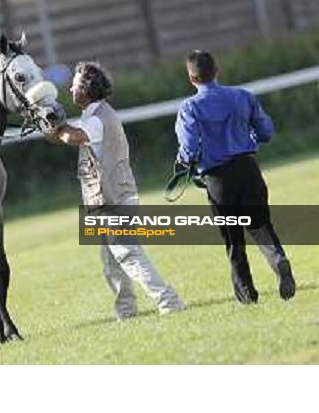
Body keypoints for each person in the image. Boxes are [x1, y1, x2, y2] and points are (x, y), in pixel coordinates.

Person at [45, 62, 186, 321]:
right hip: (105, 199)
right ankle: (127, 312)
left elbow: (70, 137)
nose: (70, 88)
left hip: (114, 199)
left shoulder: (98, 119)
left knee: (128, 254)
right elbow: (61, 136)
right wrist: (48, 125)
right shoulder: (93, 115)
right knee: (111, 263)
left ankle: (170, 302)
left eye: (75, 85)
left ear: (86, 90)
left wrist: (56, 123)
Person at [175, 50, 296, 304]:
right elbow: (265, 130)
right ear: (217, 70)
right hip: (248, 169)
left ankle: (247, 295)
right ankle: (278, 260)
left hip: (218, 179)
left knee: (233, 238)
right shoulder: (243, 96)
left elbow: (189, 145)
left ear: (191, 78)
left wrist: (184, 163)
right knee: (262, 225)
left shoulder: (190, 107)